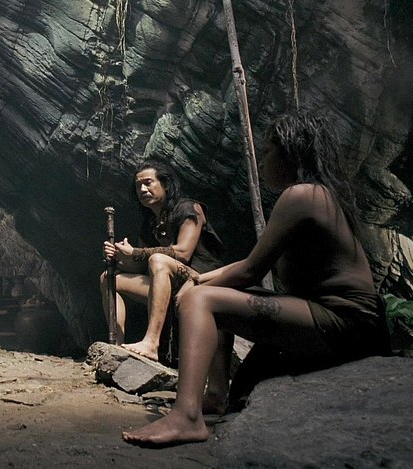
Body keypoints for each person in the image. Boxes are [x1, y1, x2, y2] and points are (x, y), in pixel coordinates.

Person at [122, 112, 392, 447]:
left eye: (267, 152)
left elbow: (251, 270)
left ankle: (186, 417)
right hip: (332, 318)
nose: (262, 162)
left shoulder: (302, 195)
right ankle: (215, 395)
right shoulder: (316, 194)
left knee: (199, 300)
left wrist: (197, 286)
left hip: (346, 322)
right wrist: (200, 278)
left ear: (290, 152)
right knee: (242, 388)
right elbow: (248, 264)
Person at [101, 160, 223, 362]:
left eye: (148, 183)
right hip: (166, 284)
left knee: (158, 260)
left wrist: (136, 252)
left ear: (165, 184)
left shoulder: (190, 208)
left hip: (201, 281)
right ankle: (116, 346)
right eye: (138, 186)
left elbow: (183, 252)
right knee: (109, 278)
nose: (142, 189)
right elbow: (140, 265)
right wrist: (119, 256)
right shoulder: (150, 224)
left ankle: (151, 343)